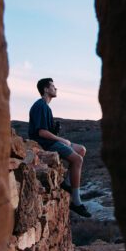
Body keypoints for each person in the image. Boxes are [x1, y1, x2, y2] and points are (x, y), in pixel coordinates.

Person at [28, 78, 91, 218]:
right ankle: (76, 202)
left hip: (49, 141)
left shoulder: (45, 106)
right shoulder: (40, 106)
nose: (56, 89)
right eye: (53, 86)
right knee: (78, 159)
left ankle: (67, 183)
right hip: (45, 143)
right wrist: (61, 139)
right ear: (45, 89)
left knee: (82, 149)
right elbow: (41, 132)